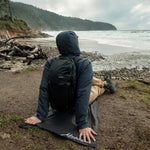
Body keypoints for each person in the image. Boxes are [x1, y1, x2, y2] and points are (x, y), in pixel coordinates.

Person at [25, 31, 118, 143]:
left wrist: (40, 115)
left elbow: (44, 88)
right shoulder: (84, 63)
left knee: (87, 78)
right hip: (74, 106)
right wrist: (82, 124)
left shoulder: (50, 62)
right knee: (93, 90)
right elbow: (83, 93)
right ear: (75, 44)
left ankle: (104, 82)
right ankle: (105, 85)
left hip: (57, 105)